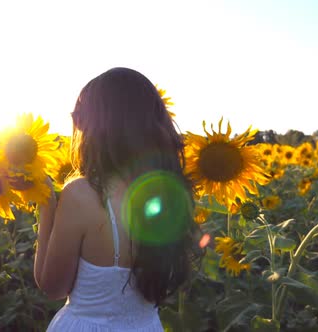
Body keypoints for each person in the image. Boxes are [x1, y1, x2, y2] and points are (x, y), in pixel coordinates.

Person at [34, 67, 198, 331]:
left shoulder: (82, 195)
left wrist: (46, 203)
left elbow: (52, 286)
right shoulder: (170, 194)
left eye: (79, 116)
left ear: (97, 125)